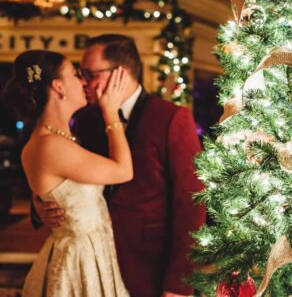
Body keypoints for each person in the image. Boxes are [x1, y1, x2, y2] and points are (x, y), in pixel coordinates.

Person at [33, 34, 206, 297]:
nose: (84, 82)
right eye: (80, 74)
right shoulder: (85, 119)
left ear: (120, 73)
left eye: (91, 74)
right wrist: (41, 206)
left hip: (149, 267)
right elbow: (66, 178)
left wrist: (179, 284)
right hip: (93, 266)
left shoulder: (171, 118)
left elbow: (192, 205)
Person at [2, 50, 133, 297]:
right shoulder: (50, 144)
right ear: (58, 87)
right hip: (79, 258)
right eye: (75, 74)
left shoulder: (61, 138)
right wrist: (111, 112)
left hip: (92, 249)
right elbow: (123, 171)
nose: (83, 81)